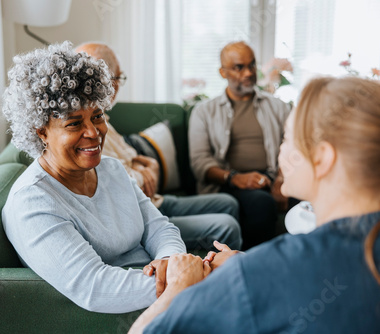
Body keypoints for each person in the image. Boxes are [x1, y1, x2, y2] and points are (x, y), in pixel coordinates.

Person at [130, 76, 380, 333]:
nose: (280, 151)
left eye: (286, 138)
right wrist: (247, 262)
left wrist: (180, 284)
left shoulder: (257, 276)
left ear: (322, 158)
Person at [1, 41, 187, 314]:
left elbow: (160, 228)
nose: (93, 132)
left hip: (167, 291)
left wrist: (170, 259)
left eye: (97, 116)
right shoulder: (32, 202)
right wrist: (185, 280)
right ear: (41, 131)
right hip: (141, 308)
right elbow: (96, 288)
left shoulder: (111, 168)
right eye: (74, 123)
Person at [75, 42, 242, 251]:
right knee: (227, 227)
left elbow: (130, 156)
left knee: (228, 202)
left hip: (153, 201)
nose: (114, 87)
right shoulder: (84, 134)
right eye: (115, 78)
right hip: (140, 212)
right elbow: (119, 182)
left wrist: (146, 165)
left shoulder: (102, 119)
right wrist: (146, 173)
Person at [188, 41, 291, 249]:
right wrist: (236, 178)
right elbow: (200, 163)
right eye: (239, 67)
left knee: (305, 198)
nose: (248, 73)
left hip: (271, 175)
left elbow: (292, 144)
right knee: (261, 203)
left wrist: (281, 179)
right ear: (222, 72)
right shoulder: (204, 111)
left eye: (251, 65)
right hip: (228, 183)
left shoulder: (277, 106)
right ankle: (256, 268)